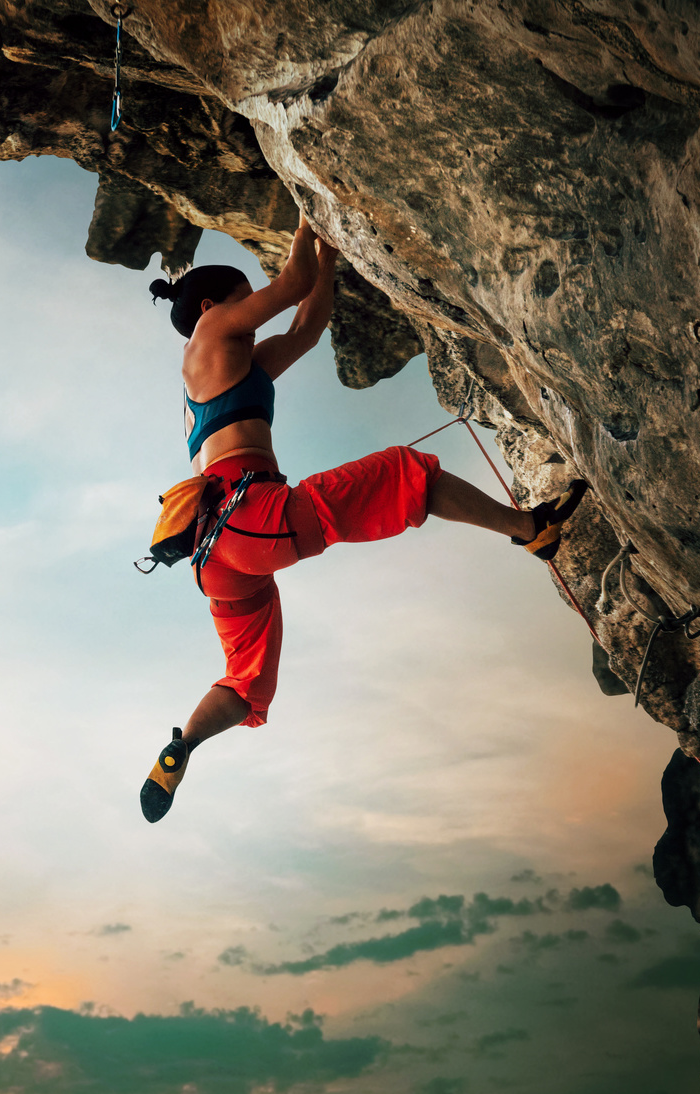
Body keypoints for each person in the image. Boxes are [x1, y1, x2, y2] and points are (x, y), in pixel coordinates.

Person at [138, 214, 587, 823]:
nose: (252, 308)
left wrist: (327, 256)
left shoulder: (228, 372)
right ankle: (530, 530)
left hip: (217, 558)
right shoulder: (211, 331)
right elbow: (292, 284)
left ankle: (182, 746)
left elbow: (308, 323)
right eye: (246, 299)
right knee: (407, 474)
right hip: (251, 520)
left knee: (245, 684)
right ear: (215, 305)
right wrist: (304, 212)